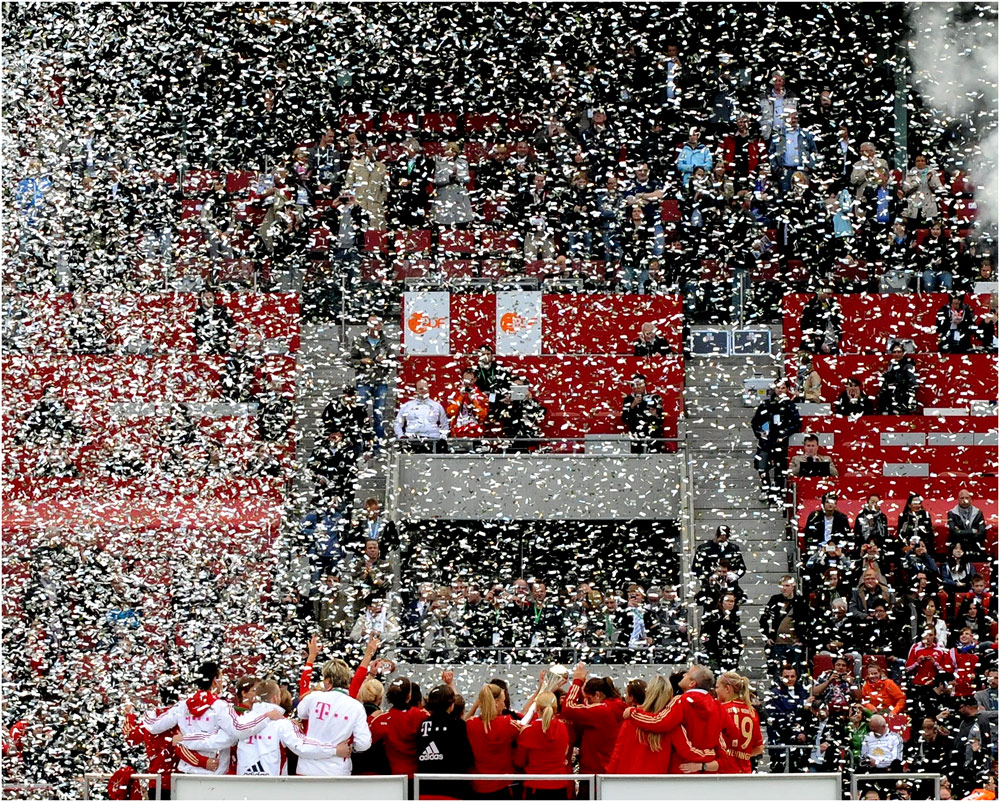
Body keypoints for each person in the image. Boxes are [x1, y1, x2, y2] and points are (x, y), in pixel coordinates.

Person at [177, 680, 349, 776]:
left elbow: (213, 740)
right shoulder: (283, 723)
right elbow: (302, 746)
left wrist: (183, 739)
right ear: (276, 699)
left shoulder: (241, 722)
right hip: (272, 790)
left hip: (243, 789)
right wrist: (334, 750)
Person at [141, 662, 281, 776]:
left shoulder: (182, 706)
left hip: (186, 775)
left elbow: (154, 726)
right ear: (215, 681)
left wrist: (146, 713)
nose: (222, 683)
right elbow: (239, 731)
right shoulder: (220, 706)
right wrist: (266, 717)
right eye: (221, 678)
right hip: (214, 776)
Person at [625, 664, 724, 774]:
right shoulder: (717, 705)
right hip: (707, 772)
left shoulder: (681, 701)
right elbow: (722, 743)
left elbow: (659, 722)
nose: (684, 674)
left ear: (692, 683)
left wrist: (633, 712)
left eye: (688, 673)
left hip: (682, 770)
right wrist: (706, 762)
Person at [561, 663, 625, 775]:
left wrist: (577, 682)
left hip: (594, 771)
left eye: (589, 699)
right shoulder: (617, 707)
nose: (587, 704)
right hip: (609, 769)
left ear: (598, 695)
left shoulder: (601, 711)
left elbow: (568, 709)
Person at [606, 675, 674, 774]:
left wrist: (608, 777)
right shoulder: (671, 724)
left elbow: (617, 754)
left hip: (628, 780)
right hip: (658, 782)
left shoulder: (631, 720)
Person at [415, 684, 473, 797]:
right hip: (452, 790)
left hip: (425, 789)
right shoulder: (458, 725)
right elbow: (468, 758)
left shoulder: (423, 725)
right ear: (451, 705)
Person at [465, 683, 519, 797]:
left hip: (478, 787)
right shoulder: (507, 723)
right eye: (503, 701)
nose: (504, 706)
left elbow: (461, 724)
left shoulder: (470, 725)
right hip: (503, 786)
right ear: (496, 702)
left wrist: (474, 707)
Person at [514, 691, 572, 799]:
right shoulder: (563, 728)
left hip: (536, 787)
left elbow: (519, 761)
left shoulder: (528, 731)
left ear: (537, 709)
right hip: (559, 786)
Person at [751, 381, 802, 502]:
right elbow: (755, 422)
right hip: (766, 442)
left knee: (780, 468)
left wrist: (784, 434)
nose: (780, 390)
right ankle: (765, 488)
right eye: (778, 388)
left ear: (787, 389)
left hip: (781, 443)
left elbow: (797, 424)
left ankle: (777, 490)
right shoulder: (765, 404)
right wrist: (760, 433)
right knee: (762, 465)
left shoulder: (790, 405)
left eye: (783, 388)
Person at [369, 677, 429, 778]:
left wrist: (370, 717)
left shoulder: (382, 720)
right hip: (418, 776)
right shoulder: (422, 715)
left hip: (395, 776)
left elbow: (364, 740)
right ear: (409, 696)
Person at [350, 315, 392, 448]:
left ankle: (377, 447)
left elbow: (394, 362)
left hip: (380, 382)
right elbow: (350, 360)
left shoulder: (387, 342)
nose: (375, 327)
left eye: (377, 324)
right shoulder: (359, 341)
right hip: (364, 381)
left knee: (379, 416)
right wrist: (361, 362)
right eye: (372, 324)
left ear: (380, 326)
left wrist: (384, 361)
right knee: (361, 413)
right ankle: (361, 445)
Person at [760, 576, 811, 679]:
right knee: (777, 673)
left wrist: (803, 639)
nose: (784, 588)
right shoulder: (775, 599)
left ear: (793, 587)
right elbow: (764, 618)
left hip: (794, 643)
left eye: (787, 586)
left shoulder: (801, 601)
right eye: (782, 586)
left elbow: (808, 621)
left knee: (796, 673)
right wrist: (767, 636)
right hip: (777, 643)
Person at [764, 665, 811, 773]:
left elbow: (807, 717)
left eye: (792, 676)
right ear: (781, 677)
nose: (790, 679)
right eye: (786, 676)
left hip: (800, 740)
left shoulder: (803, 692)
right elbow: (779, 716)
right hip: (779, 739)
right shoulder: (774, 694)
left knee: (798, 771)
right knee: (777, 770)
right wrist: (802, 705)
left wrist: (803, 732)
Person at [715, 672, 764, 774]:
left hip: (723, 772)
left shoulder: (721, 709)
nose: (716, 691)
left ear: (727, 688)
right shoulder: (752, 711)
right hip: (744, 772)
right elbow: (759, 748)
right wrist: (742, 754)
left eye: (717, 687)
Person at [393, 379, 449, 453]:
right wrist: (401, 437)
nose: (423, 391)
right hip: (412, 441)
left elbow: (445, 425)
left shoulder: (437, 406)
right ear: (416, 390)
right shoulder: (407, 406)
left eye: (425, 388)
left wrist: (442, 438)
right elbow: (397, 424)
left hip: (433, 441)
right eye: (420, 389)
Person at [388, 137, 432, 228]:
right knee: (401, 224)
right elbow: (394, 175)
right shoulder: (400, 160)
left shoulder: (426, 162)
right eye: (403, 149)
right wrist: (398, 180)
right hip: (402, 198)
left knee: (417, 224)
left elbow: (426, 179)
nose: (404, 151)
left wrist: (411, 182)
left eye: (406, 148)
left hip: (417, 198)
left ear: (414, 149)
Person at [621, 373, 665, 454]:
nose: (638, 387)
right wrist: (632, 405)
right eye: (635, 385)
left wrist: (654, 414)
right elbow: (624, 419)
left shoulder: (653, 397)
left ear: (645, 385)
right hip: (637, 437)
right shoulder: (628, 399)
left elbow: (661, 420)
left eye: (640, 384)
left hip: (653, 436)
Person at [701, 593, 743, 672]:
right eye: (727, 601)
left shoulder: (735, 617)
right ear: (721, 602)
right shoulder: (714, 615)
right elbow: (706, 632)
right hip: (715, 650)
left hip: (731, 651)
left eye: (732, 601)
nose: (730, 603)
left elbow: (737, 633)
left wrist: (739, 647)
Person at [445, 368, 489, 441]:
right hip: (457, 434)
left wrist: (473, 400)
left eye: (470, 380)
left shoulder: (481, 396)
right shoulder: (455, 394)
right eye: (466, 380)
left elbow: (482, 416)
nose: (468, 383)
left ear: (475, 379)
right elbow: (450, 412)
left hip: (476, 434)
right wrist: (461, 396)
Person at [876, 342, 919, 415]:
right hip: (890, 399)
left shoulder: (908, 366)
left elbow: (913, 385)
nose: (897, 354)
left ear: (903, 353)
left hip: (903, 400)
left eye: (899, 352)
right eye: (894, 352)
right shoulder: (890, 366)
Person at [799, 289, 841, 354]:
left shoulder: (833, 304)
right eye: (828, 294)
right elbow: (805, 327)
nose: (830, 296)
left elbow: (836, 323)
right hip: (816, 345)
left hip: (832, 343)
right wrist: (819, 343)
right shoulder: (810, 306)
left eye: (831, 294)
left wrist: (837, 336)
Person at [947, 489, 987, 558]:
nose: (964, 500)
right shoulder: (952, 513)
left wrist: (960, 532)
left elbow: (982, 532)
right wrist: (972, 531)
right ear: (958, 499)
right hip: (958, 545)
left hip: (974, 545)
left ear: (970, 499)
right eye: (962, 498)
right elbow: (953, 532)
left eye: (967, 498)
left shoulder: (978, 513)